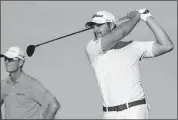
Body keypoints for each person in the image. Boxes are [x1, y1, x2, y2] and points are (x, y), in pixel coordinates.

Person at [85, 9, 174, 119]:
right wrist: (136, 18)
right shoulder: (92, 47)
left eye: (99, 25)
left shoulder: (133, 46)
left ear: (111, 25)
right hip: (109, 114)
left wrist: (146, 17)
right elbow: (121, 32)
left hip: (135, 110)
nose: (95, 29)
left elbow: (166, 45)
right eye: (93, 26)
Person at [0, 46, 60, 119]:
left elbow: (54, 105)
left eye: (10, 59)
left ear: (20, 62)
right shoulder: (3, 85)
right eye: (5, 59)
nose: (6, 62)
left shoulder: (31, 84)